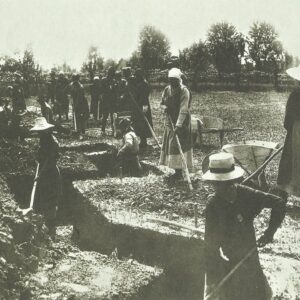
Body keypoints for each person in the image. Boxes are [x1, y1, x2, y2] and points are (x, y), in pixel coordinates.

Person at [203, 152, 286, 300]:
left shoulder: (247, 195)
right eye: (215, 184)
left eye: (224, 184)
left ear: (231, 181)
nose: (218, 188)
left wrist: (269, 233)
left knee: (258, 294)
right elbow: (210, 246)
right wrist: (212, 281)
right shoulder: (213, 206)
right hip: (228, 261)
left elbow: (279, 203)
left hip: (250, 256)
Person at [30, 117, 62, 238]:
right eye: (38, 131)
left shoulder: (54, 142)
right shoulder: (43, 139)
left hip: (51, 174)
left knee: (51, 203)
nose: (39, 133)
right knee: (45, 200)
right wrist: (38, 156)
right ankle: (46, 230)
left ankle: (52, 233)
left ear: (47, 130)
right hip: (44, 174)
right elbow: (41, 155)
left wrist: (40, 175)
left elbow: (50, 161)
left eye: (41, 131)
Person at [159, 68, 193, 181]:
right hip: (170, 120)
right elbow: (162, 103)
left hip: (182, 121)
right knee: (171, 144)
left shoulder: (184, 91)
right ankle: (176, 171)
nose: (172, 82)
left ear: (179, 80)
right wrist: (165, 108)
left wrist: (178, 125)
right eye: (170, 80)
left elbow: (184, 109)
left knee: (178, 145)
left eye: (174, 80)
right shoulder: (167, 89)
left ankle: (180, 171)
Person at [277, 66, 300, 200]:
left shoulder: (295, 94)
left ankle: (284, 193)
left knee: (293, 160)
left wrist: (291, 128)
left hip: (297, 130)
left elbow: (288, 119)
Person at [132, 69, 153, 148]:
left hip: (143, 105)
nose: (136, 78)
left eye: (137, 76)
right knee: (141, 123)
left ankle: (144, 141)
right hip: (140, 105)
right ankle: (142, 140)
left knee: (143, 123)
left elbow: (143, 96)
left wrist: (143, 107)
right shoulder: (141, 84)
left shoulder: (143, 84)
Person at [66, 74, 89, 139]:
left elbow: (79, 99)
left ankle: (83, 132)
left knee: (81, 118)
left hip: (82, 104)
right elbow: (68, 91)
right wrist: (71, 98)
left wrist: (75, 106)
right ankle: (78, 131)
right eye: (73, 80)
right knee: (76, 117)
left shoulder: (80, 87)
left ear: (77, 80)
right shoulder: (73, 85)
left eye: (75, 80)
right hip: (76, 102)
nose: (74, 82)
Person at [101, 67, 117, 135]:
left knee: (112, 116)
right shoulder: (104, 80)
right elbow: (101, 90)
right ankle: (103, 130)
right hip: (106, 100)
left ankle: (113, 130)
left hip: (112, 100)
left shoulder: (114, 81)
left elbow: (115, 91)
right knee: (105, 116)